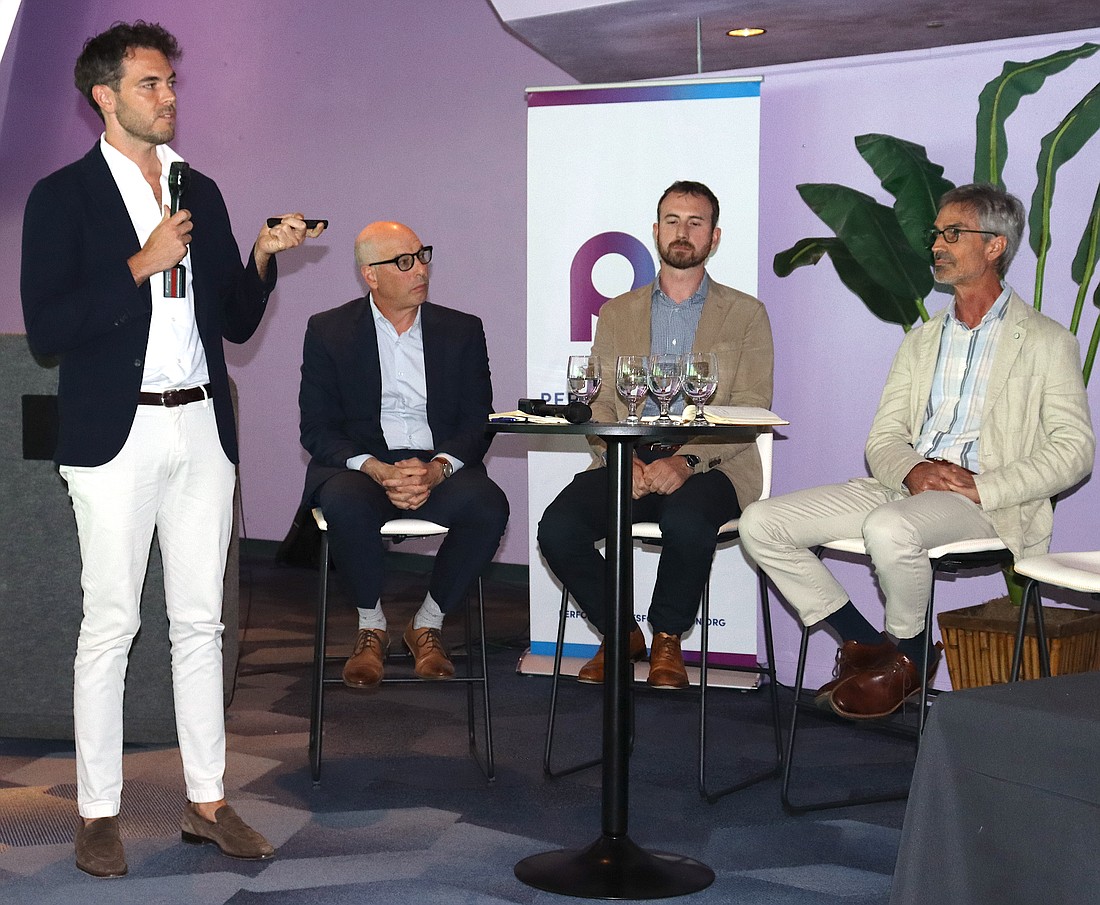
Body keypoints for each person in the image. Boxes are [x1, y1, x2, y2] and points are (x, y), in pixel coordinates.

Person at [20, 21, 323, 877]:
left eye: (172, 84)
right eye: (151, 84)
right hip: (114, 435)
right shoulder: (61, 197)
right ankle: (97, 811)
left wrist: (261, 257)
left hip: (200, 429)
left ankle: (208, 799)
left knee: (200, 622)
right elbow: (48, 329)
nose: (170, 98)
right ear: (104, 98)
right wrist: (140, 263)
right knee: (110, 623)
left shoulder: (204, 190)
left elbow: (230, 317)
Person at [739, 183, 1094, 720]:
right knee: (761, 523)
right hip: (901, 487)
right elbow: (882, 438)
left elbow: (1074, 451)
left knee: (889, 528)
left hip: (986, 503)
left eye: (953, 234)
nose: (937, 245)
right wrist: (912, 468)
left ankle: (902, 655)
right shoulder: (922, 341)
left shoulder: (1046, 341)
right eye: (937, 234)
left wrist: (982, 485)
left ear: (995, 246)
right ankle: (880, 648)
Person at [538, 180, 774, 689]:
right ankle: (621, 633)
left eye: (695, 222)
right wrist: (626, 459)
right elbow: (599, 405)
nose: (682, 232)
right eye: (672, 221)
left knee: (689, 521)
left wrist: (684, 462)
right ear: (655, 231)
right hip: (628, 454)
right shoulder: (617, 312)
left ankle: (667, 637)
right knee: (557, 528)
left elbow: (752, 411)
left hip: (713, 462)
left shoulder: (747, 314)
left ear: (714, 237)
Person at [298, 221, 509, 690]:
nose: (421, 269)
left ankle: (426, 624)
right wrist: (374, 467)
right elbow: (316, 428)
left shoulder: (461, 330)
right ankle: (370, 626)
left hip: (437, 462)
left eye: (422, 255)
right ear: (370, 275)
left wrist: (436, 469)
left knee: (489, 506)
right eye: (404, 261)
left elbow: (480, 420)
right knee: (345, 502)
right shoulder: (329, 330)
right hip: (363, 464)